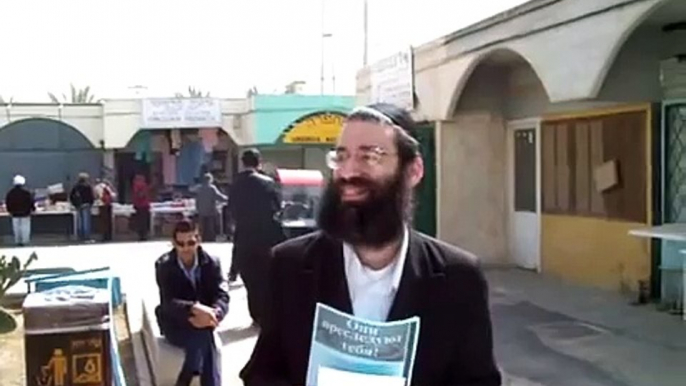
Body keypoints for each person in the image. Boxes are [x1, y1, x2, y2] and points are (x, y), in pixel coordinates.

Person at [240, 103, 502, 386]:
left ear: (413, 171)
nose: (349, 172)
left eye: (369, 156)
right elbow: (263, 372)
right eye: (341, 157)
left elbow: (478, 381)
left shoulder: (458, 276)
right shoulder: (290, 265)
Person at [155, 219, 229, 386]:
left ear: (199, 240)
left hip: (206, 321)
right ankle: (193, 379)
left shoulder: (212, 263)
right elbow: (168, 302)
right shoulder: (164, 265)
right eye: (180, 244)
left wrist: (215, 313)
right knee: (204, 336)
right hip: (176, 323)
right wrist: (194, 309)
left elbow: (222, 295)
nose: (186, 248)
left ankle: (184, 380)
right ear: (173, 243)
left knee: (204, 334)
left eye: (191, 242)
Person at [228, 148, 285, 326]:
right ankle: (266, 314)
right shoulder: (268, 183)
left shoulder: (235, 183)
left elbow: (231, 209)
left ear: (243, 163)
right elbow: (277, 207)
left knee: (250, 278)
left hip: (244, 236)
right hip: (265, 236)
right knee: (265, 276)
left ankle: (255, 314)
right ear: (259, 162)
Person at [196, 173, 228, 242]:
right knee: (211, 226)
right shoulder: (212, 188)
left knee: (202, 226)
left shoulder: (199, 188)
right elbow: (219, 197)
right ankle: (211, 238)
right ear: (210, 180)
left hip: (201, 211)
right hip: (210, 210)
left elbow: (197, 200)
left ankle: (202, 238)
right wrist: (228, 198)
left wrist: (198, 208)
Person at [5, 175, 35, 246]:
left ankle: (17, 241)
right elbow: (31, 202)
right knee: (25, 228)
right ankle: (25, 241)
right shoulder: (26, 193)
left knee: (16, 228)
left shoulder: (10, 193)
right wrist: (33, 209)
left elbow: (8, 203)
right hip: (25, 213)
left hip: (14, 214)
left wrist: (9, 210)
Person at [69, 173, 95, 242]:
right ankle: (86, 236)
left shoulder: (76, 187)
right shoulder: (87, 187)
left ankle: (80, 236)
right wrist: (91, 203)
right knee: (86, 221)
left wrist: (75, 204)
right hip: (86, 205)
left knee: (79, 221)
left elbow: (71, 196)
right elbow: (91, 197)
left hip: (79, 205)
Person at [132, 174, 151, 241]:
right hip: (144, 205)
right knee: (144, 221)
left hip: (140, 205)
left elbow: (138, 194)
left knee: (140, 221)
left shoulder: (137, 185)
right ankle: (144, 235)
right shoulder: (144, 185)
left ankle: (141, 235)